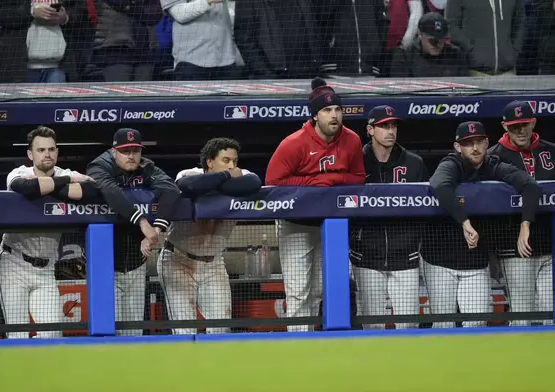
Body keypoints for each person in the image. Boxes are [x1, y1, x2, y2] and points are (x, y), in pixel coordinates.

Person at [265, 77, 366, 332]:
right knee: (299, 291)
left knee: (321, 291)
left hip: (332, 225)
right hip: (296, 224)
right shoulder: (294, 143)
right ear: (314, 116)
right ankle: (298, 349)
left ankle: (316, 344)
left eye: (337, 110)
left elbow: (358, 179)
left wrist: (329, 178)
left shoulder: (352, 140)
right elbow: (273, 182)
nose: (334, 116)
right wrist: (312, 183)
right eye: (327, 111)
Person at [426, 121, 541, 328]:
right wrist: (465, 222)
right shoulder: (451, 164)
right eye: (468, 143)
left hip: (476, 262)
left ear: (487, 143)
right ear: (457, 147)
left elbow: (530, 185)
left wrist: (525, 225)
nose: (475, 148)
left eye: (479, 142)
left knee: (477, 322)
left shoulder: (493, 165)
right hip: (440, 261)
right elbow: (439, 186)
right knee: (443, 326)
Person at [0, 126, 98, 339]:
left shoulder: (63, 173)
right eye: (41, 150)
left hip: (45, 269)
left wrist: (52, 185)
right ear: (30, 154)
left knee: (52, 335)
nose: (47, 154)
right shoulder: (20, 173)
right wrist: (68, 182)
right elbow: (26, 187)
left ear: (57, 152)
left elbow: (93, 190)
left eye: (51, 149)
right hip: (13, 263)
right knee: (17, 336)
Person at [158, 137, 261, 334]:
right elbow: (189, 186)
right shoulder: (189, 174)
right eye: (226, 160)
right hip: (178, 261)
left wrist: (218, 180)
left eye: (235, 161)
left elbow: (254, 183)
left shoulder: (244, 175)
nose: (232, 166)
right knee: (184, 332)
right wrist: (227, 177)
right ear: (209, 161)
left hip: (214, 264)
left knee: (221, 330)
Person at [86, 128, 181, 336]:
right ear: (114, 151)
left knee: (134, 333)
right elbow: (111, 191)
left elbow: (172, 190)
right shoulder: (98, 166)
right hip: (105, 269)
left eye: (135, 150)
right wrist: (142, 221)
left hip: (137, 265)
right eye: (125, 151)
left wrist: (155, 230)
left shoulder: (145, 166)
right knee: (107, 332)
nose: (131, 156)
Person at [487, 101, 555, 326]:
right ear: (505, 126)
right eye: (515, 126)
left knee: (552, 313)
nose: (520, 130)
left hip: (551, 247)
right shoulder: (493, 156)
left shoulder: (552, 151)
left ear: (533, 122)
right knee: (522, 314)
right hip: (513, 249)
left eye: (524, 124)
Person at [349, 105, 429, 330]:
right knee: (371, 327)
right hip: (366, 258)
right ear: (370, 130)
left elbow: (426, 207)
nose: (391, 131)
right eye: (384, 126)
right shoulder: (355, 161)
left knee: (409, 326)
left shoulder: (414, 163)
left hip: (405, 257)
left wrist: (414, 239)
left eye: (393, 126)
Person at [391, 12, 468, 77]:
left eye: (441, 39)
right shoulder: (405, 55)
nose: (438, 44)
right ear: (420, 34)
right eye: (432, 40)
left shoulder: (455, 54)